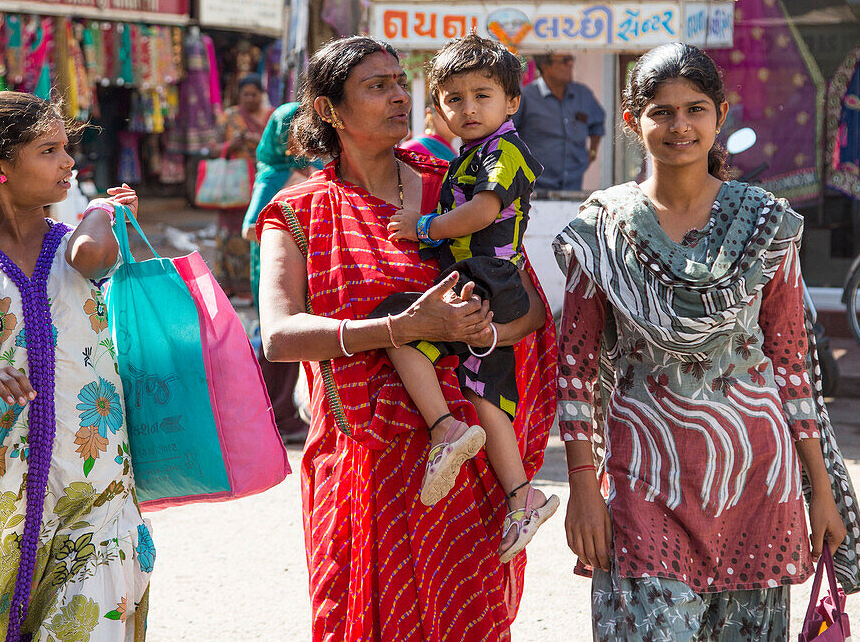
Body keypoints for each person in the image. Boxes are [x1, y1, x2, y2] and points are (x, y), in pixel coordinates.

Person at [553, 42, 860, 640]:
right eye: (662, 111)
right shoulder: (598, 231)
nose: (680, 125)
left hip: (758, 481)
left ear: (720, 114)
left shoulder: (766, 225)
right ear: (633, 122)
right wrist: (581, 487)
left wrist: (820, 493)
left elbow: (791, 366)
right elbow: (572, 370)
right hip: (642, 479)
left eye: (695, 108)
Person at [257, 36, 558, 640]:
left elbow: (530, 310)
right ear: (327, 109)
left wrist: (480, 331)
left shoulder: (457, 187)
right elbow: (281, 336)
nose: (400, 96)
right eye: (377, 86)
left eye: (400, 82)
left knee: (467, 620)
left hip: (462, 465)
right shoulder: (300, 210)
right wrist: (402, 329)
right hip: (362, 468)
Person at [0, 91, 153, 641]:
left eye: (67, 148)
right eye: (49, 150)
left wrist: (102, 214)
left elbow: (92, 257)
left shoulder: (81, 250)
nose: (68, 162)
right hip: (7, 510)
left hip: (100, 501)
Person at [383, 34, 559, 561]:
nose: (468, 108)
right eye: (454, 99)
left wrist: (425, 226)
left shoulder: (502, 151)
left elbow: (483, 212)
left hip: (485, 275)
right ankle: (521, 496)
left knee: (400, 326)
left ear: (512, 103)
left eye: (482, 95)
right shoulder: (474, 152)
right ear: (437, 107)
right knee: (486, 396)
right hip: (486, 279)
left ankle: (445, 429)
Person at [241, 101, 319, 442]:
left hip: (301, 268)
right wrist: (283, 233)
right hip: (274, 271)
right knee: (280, 342)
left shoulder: (308, 168)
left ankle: (283, 414)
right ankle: (278, 417)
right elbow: (248, 228)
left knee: (295, 342)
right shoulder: (274, 173)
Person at [212, 73, 274, 300]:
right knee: (229, 235)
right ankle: (229, 285)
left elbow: (282, 148)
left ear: (261, 94)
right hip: (231, 187)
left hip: (261, 186)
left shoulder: (271, 117)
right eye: (245, 94)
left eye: (253, 94)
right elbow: (211, 149)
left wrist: (257, 141)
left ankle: (253, 287)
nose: (249, 99)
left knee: (257, 232)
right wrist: (231, 145)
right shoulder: (229, 116)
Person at [511, 52, 604, 192]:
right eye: (565, 61)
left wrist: (592, 152)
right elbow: (509, 133)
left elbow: (597, 124)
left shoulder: (583, 95)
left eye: (571, 59)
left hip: (574, 186)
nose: (571, 64)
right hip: (535, 190)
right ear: (545, 67)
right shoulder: (526, 96)